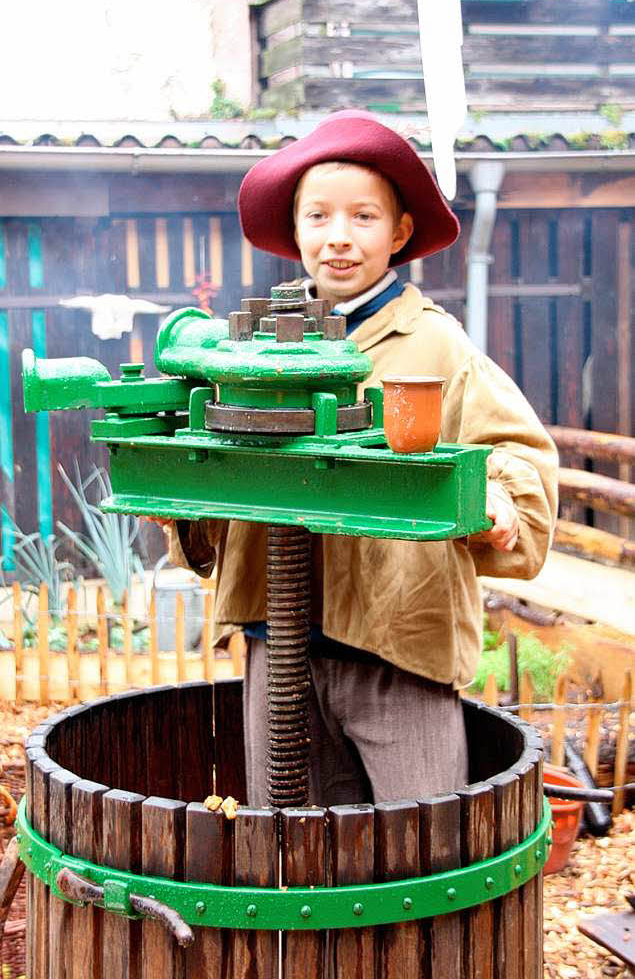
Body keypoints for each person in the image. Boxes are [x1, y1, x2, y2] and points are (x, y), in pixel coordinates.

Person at [162, 110, 558, 807]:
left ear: (399, 233)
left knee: (419, 848)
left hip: (397, 648)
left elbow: (515, 453)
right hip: (275, 643)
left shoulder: (436, 345)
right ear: (295, 231)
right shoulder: (251, 349)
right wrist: (184, 501)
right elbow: (207, 468)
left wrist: (494, 496)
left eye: (363, 217)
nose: (338, 237)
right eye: (317, 217)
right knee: (287, 851)